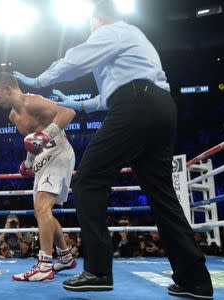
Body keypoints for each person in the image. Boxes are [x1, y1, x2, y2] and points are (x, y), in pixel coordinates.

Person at [12, 1, 213, 298]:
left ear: (96, 18)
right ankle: (195, 279)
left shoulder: (113, 30)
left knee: (88, 180)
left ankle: (98, 270)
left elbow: (76, 60)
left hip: (137, 105)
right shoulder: (132, 40)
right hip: (159, 108)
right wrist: (79, 104)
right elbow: (110, 95)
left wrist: (39, 81)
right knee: (162, 197)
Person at [0, 72, 77, 281]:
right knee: (42, 212)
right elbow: (33, 141)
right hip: (42, 159)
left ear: (8, 89)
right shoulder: (13, 116)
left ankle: (45, 265)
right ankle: (65, 256)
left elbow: (68, 112)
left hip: (59, 152)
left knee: (42, 208)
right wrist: (28, 162)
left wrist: (45, 136)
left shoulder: (33, 102)